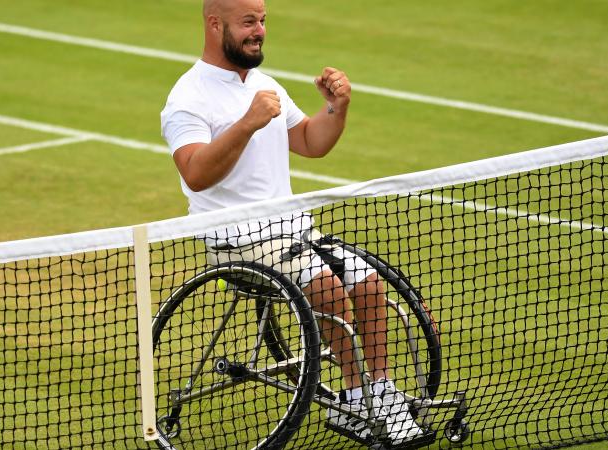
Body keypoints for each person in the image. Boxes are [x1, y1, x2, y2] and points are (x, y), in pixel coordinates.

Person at [160, 0, 429, 446]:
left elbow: (308, 140)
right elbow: (196, 173)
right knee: (324, 281)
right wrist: (247, 123)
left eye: (262, 21)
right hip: (234, 239)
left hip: (292, 233)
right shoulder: (187, 98)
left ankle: (378, 393)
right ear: (214, 24)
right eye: (248, 22)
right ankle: (354, 398)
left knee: (367, 282)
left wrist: (336, 109)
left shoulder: (266, 85)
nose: (259, 31)